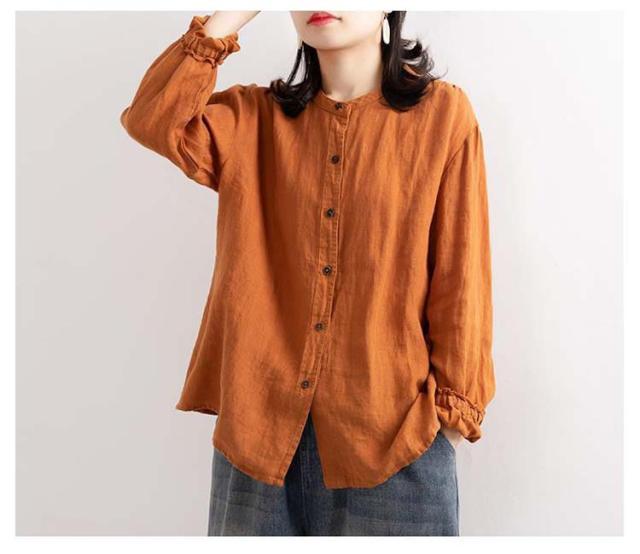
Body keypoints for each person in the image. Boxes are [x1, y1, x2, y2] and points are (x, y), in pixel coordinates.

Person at [120, 10, 496, 536]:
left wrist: (450, 422)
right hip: (257, 448)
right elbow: (151, 119)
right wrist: (230, 15)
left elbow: (462, 283)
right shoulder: (252, 120)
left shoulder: (443, 117)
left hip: (395, 444)